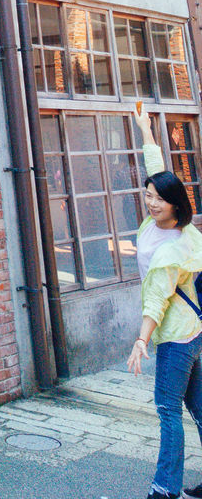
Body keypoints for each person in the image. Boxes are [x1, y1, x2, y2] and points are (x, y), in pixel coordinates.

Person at [128, 107, 202, 499]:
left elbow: (156, 300)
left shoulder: (173, 249)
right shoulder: (177, 226)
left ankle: (164, 489)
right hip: (194, 332)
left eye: (157, 199)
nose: (150, 203)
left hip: (175, 337)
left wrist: (142, 340)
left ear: (175, 203)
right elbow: (157, 166)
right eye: (147, 195)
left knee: (168, 410)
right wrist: (145, 129)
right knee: (200, 411)